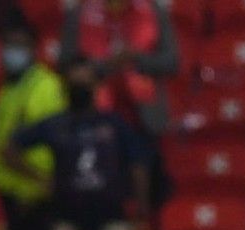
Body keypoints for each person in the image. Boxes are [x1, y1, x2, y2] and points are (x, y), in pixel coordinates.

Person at [8, 60, 151, 230]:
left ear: (96, 88)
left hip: (112, 216)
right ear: (65, 88)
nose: (80, 88)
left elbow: (138, 165)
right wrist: (40, 179)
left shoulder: (114, 124)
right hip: (67, 217)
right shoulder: (55, 125)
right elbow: (11, 148)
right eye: (75, 84)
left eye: (85, 83)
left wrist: (141, 210)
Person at [0, 22, 67, 230]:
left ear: (33, 48)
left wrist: (40, 182)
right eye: (8, 44)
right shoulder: (8, 87)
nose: (12, 51)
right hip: (4, 197)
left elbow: (51, 142)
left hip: (30, 201)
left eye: (19, 45)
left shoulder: (45, 87)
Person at [58, 0, 181, 139]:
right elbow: (65, 65)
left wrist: (136, 58)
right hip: (95, 118)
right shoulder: (80, 12)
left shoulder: (152, 10)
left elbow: (171, 62)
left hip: (144, 120)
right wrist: (103, 67)